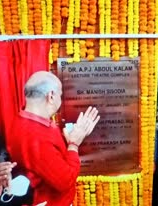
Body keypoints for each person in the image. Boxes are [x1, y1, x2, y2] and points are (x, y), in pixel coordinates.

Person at [6, 71, 100, 206]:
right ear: (51, 96)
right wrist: (74, 144)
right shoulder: (35, 136)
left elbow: (44, 161)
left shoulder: (20, 120)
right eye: (60, 95)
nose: (60, 100)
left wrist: (68, 139)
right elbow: (65, 182)